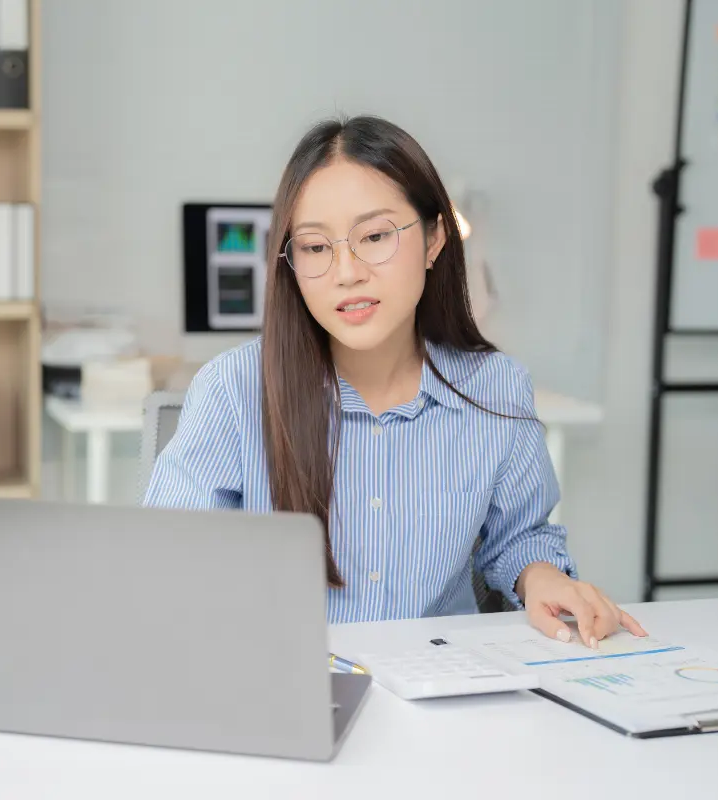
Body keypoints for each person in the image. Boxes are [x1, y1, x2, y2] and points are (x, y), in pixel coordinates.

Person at [143, 115, 645, 648]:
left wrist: (540, 574)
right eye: (315, 247)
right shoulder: (234, 389)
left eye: (375, 236)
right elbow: (170, 560)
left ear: (434, 239)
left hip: (445, 686)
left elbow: (518, 535)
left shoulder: (494, 388)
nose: (346, 272)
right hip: (286, 684)